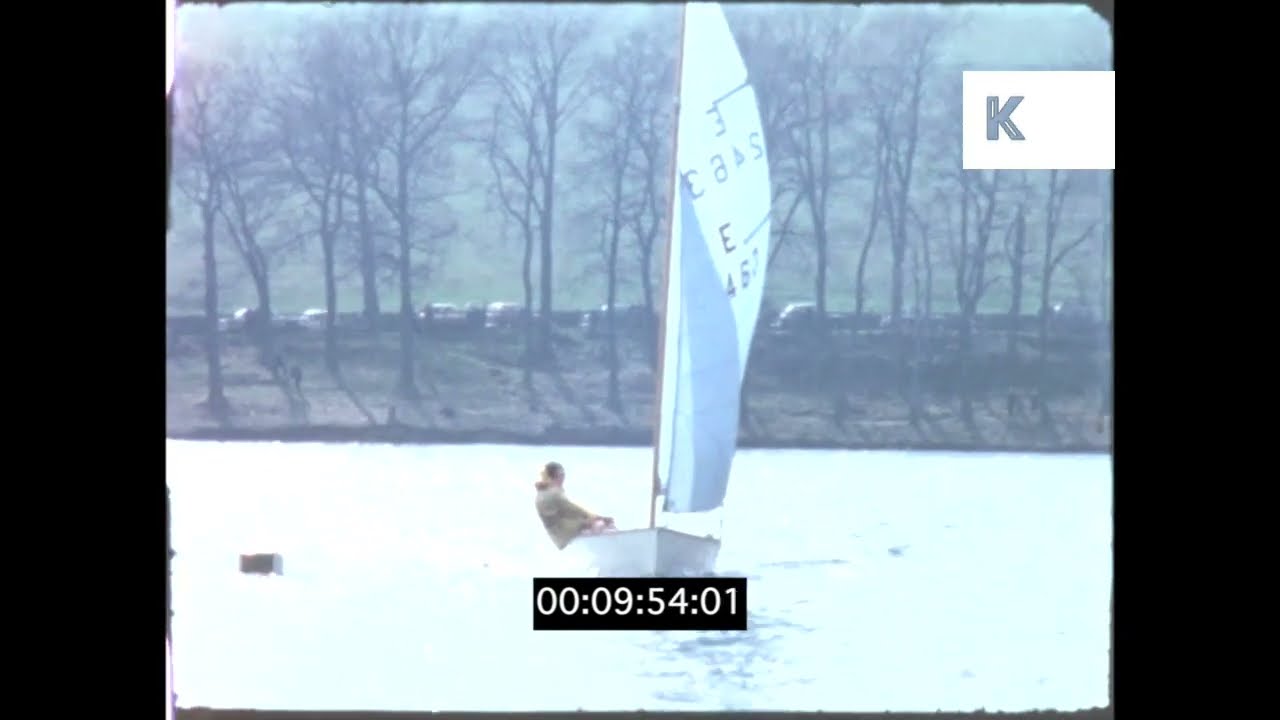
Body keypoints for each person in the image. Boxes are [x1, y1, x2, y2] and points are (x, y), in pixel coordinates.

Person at [534, 461, 616, 549]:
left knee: (598, 523)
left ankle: (606, 544)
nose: (563, 478)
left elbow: (570, 510)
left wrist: (592, 518)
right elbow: (572, 510)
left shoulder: (544, 492)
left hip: (560, 533)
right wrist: (597, 518)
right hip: (564, 532)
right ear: (554, 477)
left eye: (563, 475)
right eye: (561, 475)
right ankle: (610, 546)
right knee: (600, 524)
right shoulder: (552, 494)